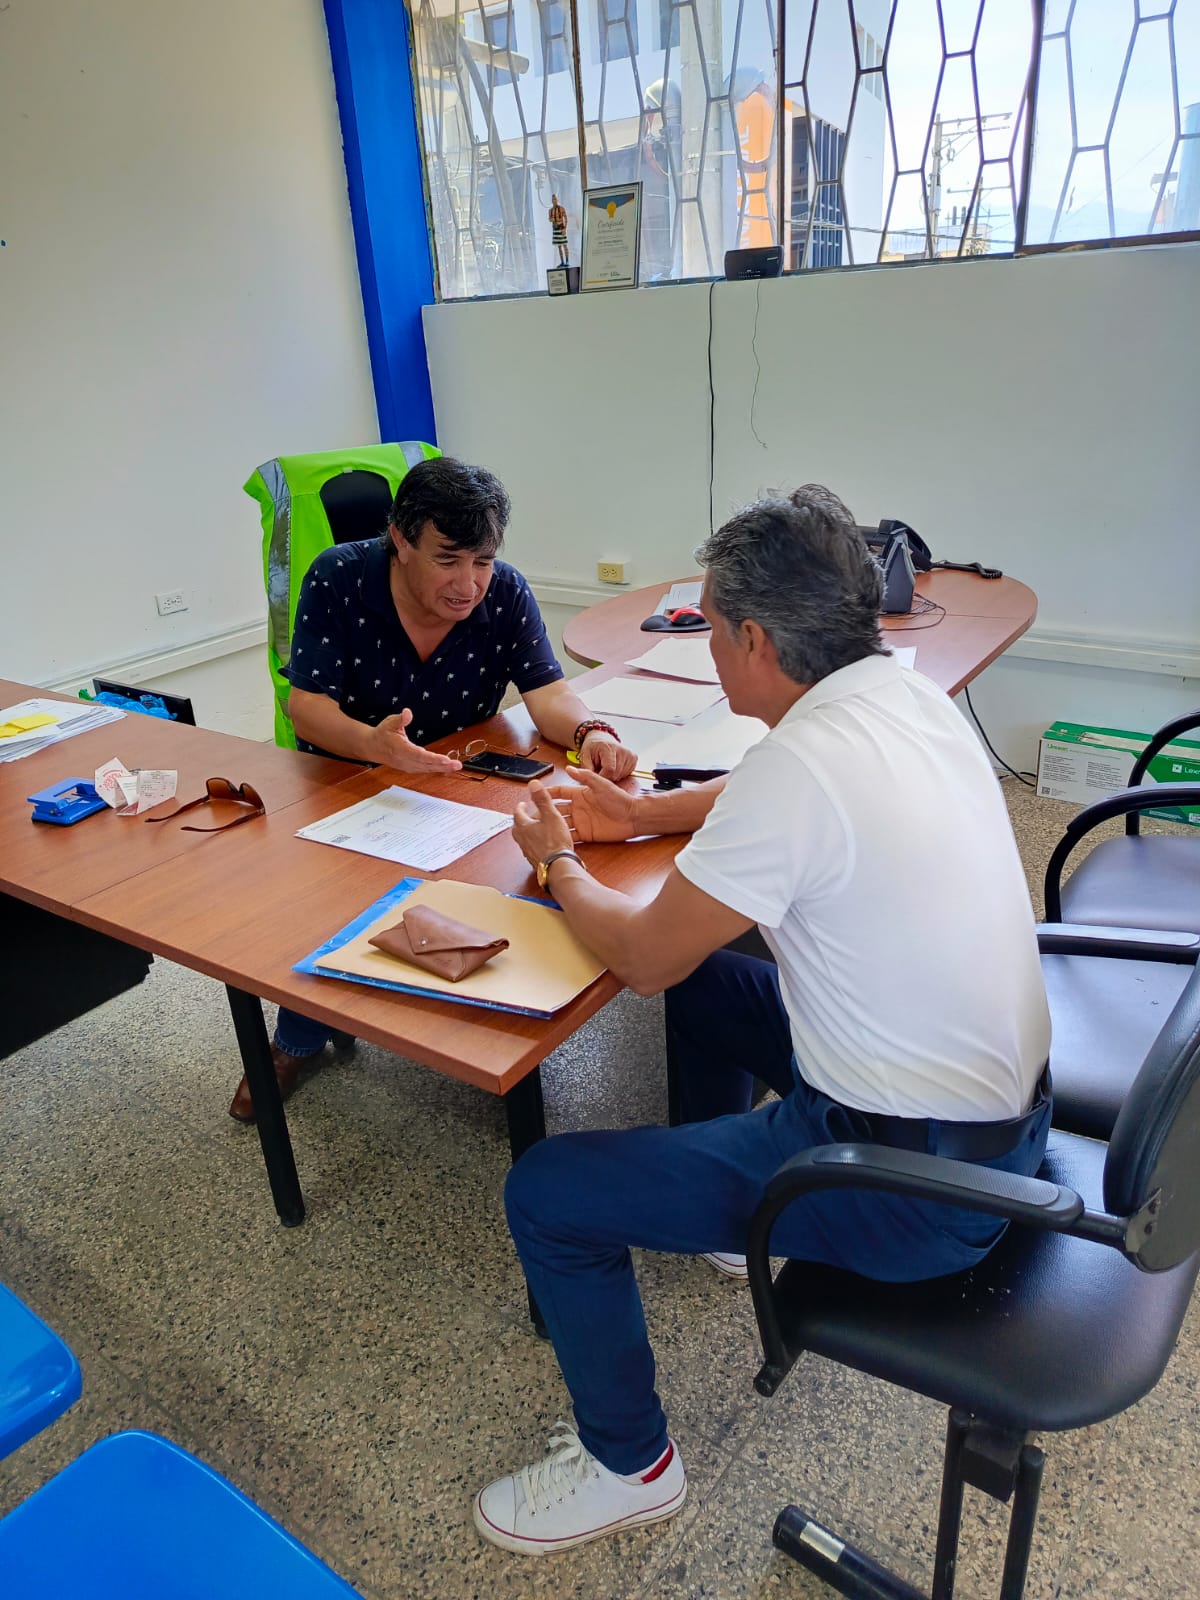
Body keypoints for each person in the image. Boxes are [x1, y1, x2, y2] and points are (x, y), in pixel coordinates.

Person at [472, 487, 1051, 1555]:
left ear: (754, 641)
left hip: (908, 1187)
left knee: (546, 1191)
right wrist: (642, 814)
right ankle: (725, 1228)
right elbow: (766, 794)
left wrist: (556, 860)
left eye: (709, 628)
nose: (706, 649)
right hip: (993, 1128)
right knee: (706, 981)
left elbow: (642, 956)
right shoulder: (903, 690)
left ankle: (629, 1465)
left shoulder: (801, 766)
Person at [228, 455, 637, 1122]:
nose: (468, 583)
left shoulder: (505, 590)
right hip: (350, 779)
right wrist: (376, 746)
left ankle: (477, 1022)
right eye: (448, 560)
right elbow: (307, 708)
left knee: (514, 879)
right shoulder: (338, 577)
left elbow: (547, 693)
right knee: (337, 904)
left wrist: (591, 730)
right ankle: (297, 1038)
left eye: (483, 561)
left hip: (459, 779)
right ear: (400, 537)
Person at [549, 194, 569, 267]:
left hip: (561, 228)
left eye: (555, 199)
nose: (554, 201)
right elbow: (550, 219)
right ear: (552, 201)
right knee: (559, 246)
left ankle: (567, 261)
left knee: (565, 245)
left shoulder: (561, 208)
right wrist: (552, 220)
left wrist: (565, 228)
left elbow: (566, 218)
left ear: (557, 200)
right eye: (553, 199)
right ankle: (562, 262)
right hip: (555, 229)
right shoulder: (550, 210)